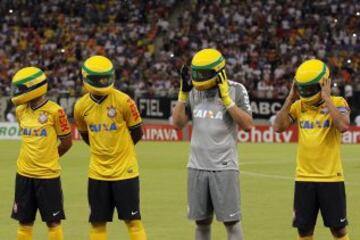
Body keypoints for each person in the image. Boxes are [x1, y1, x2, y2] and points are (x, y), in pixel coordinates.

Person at [172, 48, 253, 240]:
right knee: (201, 223)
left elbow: (248, 125)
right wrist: (183, 94)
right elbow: (177, 123)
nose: (197, 78)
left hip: (224, 167)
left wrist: (227, 99)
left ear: (217, 72)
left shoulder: (236, 89)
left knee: (232, 223)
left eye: (202, 74)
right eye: (195, 73)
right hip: (196, 166)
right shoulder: (193, 91)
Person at [273, 59, 351, 240]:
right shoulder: (299, 106)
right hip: (304, 178)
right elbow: (278, 127)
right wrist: (290, 97)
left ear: (324, 83)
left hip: (331, 177)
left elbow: (343, 125)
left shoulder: (338, 102)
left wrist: (326, 98)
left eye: (309, 89)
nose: (305, 93)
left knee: (338, 230)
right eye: (303, 88)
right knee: (304, 230)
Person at [73, 55, 147, 240]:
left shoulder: (124, 101)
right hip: (97, 172)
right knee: (97, 223)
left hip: (125, 171)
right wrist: (102, 148)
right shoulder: (81, 106)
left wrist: (120, 150)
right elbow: (85, 134)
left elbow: (137, 132)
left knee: (133, 222)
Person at [10, 67, 72, 240]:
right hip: (24, 174)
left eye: (21, 89)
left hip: (47, 175)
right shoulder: (20, 111)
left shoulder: (55, 111)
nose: (18, 93)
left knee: (53, 222)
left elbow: (67, 142)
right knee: (24, 222)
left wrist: (50, 157)